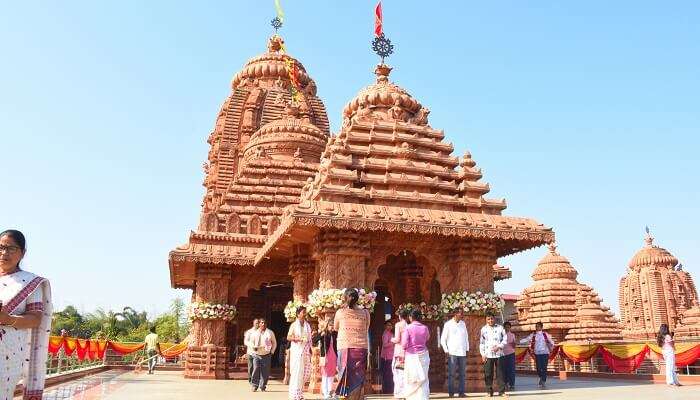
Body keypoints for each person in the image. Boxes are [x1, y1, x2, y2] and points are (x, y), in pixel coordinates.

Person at [0, 229, 53, 400]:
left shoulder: (30, 282)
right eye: (1, 247)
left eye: (11, 248)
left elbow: (36, 319)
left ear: (23, 253)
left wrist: (8, 319)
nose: (4, 253)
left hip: (7, 353)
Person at [333, 288, 370, 400]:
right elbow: (366, 327)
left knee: (344, 374)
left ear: (344, 298)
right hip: (361, 348)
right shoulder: (365, 313)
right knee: (358, 377)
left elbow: (335, 327)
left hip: (344, 348)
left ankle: (344, 397)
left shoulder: (340, 312)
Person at [401, 309, 430, 400]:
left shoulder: (408, 328)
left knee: (412, 379)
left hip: (411, 356)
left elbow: (404, 344)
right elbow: (427, 338)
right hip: (424, 355)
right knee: (423, 378)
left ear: (411, 317)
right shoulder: (425, 328)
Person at [440, 309, 469, 398]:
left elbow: (466, 337)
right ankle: (451, 393)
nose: (462, 315)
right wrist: (446, 350)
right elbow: (443, 339)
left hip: (462, 352)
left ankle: (461, 392)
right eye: (460, 313)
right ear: (455, 314)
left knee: (462, 374)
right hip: (452, 352)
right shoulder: (448, 324)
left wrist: (467, 348)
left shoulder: (463, 324)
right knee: (452, 374)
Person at [518, 321, 555, 389]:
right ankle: (541, 377)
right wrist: (519, 341)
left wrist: (552, 344)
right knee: (538, 367)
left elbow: (551, 341)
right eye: (536, 326)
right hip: (537, 353)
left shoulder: (545, 334)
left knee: (544, 367)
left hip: (545, 353)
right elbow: (527, 339)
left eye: (538, 326)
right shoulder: (533, 334)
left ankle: (543, 380)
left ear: (541, 327)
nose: (537, 327)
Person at [479, 313, 507, 397]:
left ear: (494, 319)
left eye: (491, 319)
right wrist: (483, 354)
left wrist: (499, 346)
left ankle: (502, 392)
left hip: (499, 354)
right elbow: (482, 343)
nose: (490, 320)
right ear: (486, 320)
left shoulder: (500, 328)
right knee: (488, 374)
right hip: (488, 355)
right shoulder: (483, 329)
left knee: (500, 373)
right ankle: (489, 391)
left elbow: (505, 339)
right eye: (488, 319)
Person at [288, 306, 312, 400]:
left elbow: (309, 339)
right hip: (297, 351)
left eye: (305, 312)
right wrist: (297, 339)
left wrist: (311, 349)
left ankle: (300, 394)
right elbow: (289, 337)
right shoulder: (294, 325)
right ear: (298, 314)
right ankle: (294, 395)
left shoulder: (307, 325)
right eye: (303, 312)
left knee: (305, 373)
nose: (305, 314)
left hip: (305, 351)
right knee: (297, 373)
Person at [313, 318, 338, 400]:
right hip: (325, 356)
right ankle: (325, 392)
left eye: (332, 325)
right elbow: (314, 340)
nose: (332, 327)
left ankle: (330, 391)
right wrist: (321, 335)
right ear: (327, 326)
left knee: (331, 374)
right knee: (325, 374)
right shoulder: (324, 333)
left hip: (333, 355)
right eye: (330, 325)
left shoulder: (335, 334)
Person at [251, 318, 277, 392]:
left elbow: (274, 343)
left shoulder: (270, 332)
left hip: (266, 354)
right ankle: (254, 385)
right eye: (262, 323)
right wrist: (253, 347)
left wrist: (272, 352)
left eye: (264, 323)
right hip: (256, 354)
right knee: (255, 369)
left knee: (265, 371)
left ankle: (263, 385)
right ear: (259, 324)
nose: (263, 324)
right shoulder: (255, 333)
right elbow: (251, 342)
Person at [392, 309, 410, 398]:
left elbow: (397, 339)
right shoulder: (408, 325)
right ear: (407, 317)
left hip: (399, 351)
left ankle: (399, 393)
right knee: (405, 373)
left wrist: (391, 339)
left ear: (400, 316)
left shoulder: (398, 325)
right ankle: (405, 392)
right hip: (406, 352)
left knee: (397, 373)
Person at [500, 322, 516, 390]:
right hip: (503, 354)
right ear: (504, 327)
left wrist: (513, 344)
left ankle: (512, 384)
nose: (507, 328)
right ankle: (505, 382)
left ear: (510, 328)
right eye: (506, 327)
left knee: (511, 369)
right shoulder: (501, 335)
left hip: (511, 354)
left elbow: (514, 345)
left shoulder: (512, 335)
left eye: (508, 327)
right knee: (504, 369)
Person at [244, 319, 261, 383]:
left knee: (256, 367)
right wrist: (252, 346)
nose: (257, 324)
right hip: (250, 352)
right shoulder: (249, 332)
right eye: (256, 323)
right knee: (251, 367)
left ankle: (255, 380)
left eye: (258, 323)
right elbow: (245, 341)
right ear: (253, 324)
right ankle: (250, 379)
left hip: (259, 352)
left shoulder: (261, 331)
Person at [380, 320, 395, 394]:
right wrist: (393, 342)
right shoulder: (385, 334)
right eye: (388, 325)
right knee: (387, 374)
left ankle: (389, 388)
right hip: (386, 357)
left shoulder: (390, 333)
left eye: (391, 325)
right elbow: (385, 345)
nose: (390, 326)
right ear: (385, 326)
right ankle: (386, 389)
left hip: (390, 356)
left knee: (389, 374)